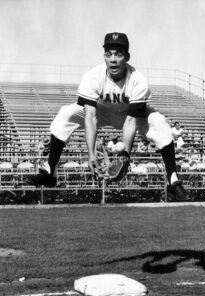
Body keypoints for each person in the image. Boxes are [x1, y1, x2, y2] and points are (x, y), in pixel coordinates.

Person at [26, 32, 190, 201]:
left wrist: (125, 154)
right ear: (104, 56)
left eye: (118, 54)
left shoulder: (138, 80)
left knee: (159, 121)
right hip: (101, 112)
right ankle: (50, 172)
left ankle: (173, 181)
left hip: (129, 115)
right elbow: (90, 117)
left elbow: (131, 120)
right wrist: (91, 154)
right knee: (66, 113)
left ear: (127, 57)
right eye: (108, 54)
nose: (113, 59)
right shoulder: (93, 76)